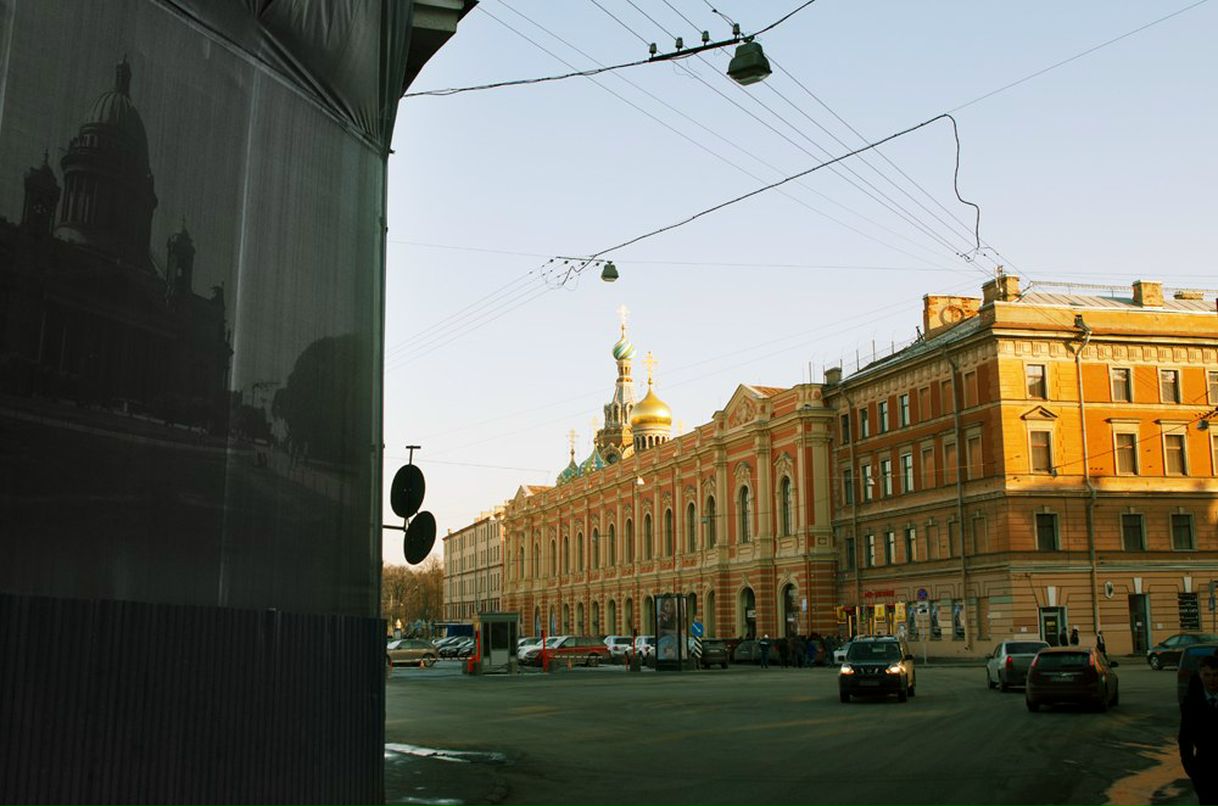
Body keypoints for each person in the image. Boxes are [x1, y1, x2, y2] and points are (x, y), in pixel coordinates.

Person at [1179, 655, 1218, 805]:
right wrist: (1191, 769)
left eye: (1215, 675)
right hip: (1204, 770)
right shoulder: (1191, 704)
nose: (1212, 679)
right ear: (1201, 675)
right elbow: (1185, 739)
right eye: (1207, 675)